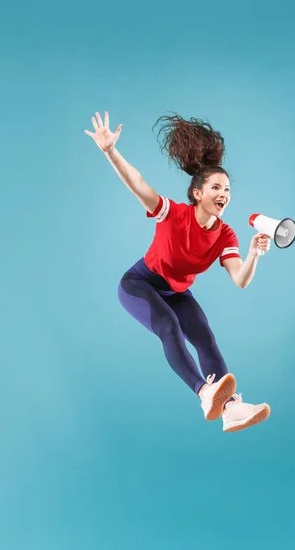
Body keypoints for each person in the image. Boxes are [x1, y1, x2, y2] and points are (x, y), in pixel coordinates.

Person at [85, 111, 271, 433]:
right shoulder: (173, 214)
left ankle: (231, 409)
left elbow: (240, 279)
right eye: (215, 187)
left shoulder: (226, 235)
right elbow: (137, 183)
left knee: (205, 337)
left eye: (227, 189)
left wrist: (254, 253)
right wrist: (110, 151)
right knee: (168, 326)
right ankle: (204, 392)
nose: (223, 194)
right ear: (198, 193)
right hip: (140, 284)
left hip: (176, 291)